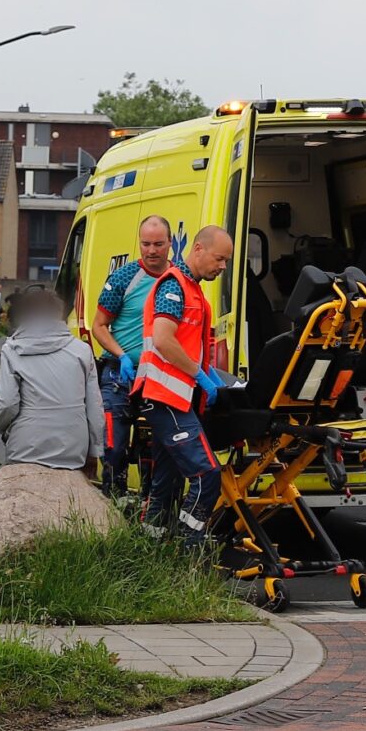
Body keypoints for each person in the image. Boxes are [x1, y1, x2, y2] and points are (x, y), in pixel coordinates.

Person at [136, 224, 234, 545]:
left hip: (175, 398)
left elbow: (192, 345)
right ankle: (189, 548)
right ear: (198, 249)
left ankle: (152, 546)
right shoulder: (174, 287)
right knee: (207, 475)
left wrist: (215, 378)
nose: (222, 266)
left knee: (166, 481)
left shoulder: (193, 291)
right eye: (220, 258)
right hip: (166, 398)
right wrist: (200, 376)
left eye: (226, 261)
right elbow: (164, 340)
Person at [87, 216, 174, 501]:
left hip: (159, 375)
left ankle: (153, 512)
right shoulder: (124, 278)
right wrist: (122, 355)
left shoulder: (178, 280)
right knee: (113, 446)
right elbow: (98, 326)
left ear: (170, 244)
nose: (151, 251)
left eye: (158, 244)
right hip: (119, 375)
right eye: (146, 244)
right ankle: (113, 506)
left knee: (160, 446)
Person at [0, 286, 103, 473]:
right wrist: (94, 451)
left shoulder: (12, 350)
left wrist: (6, 432)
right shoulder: (81, 351)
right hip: (73, 445)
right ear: (58, 314)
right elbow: (94, 407)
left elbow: (7, 403)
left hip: (25, 444)